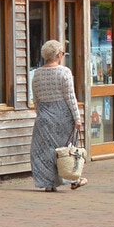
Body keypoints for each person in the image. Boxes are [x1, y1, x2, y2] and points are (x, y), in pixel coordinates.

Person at [30, 39, 85, 191]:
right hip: (63, 116)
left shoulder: (37, 73)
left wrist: (40, 113)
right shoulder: (64, 72)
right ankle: (74, 178)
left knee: (45, 151)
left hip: (44, 116)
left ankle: (49, 184)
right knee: (66, 150)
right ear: (59, 54)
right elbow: (70, 97)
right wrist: (77, 118)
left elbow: (36, 98)